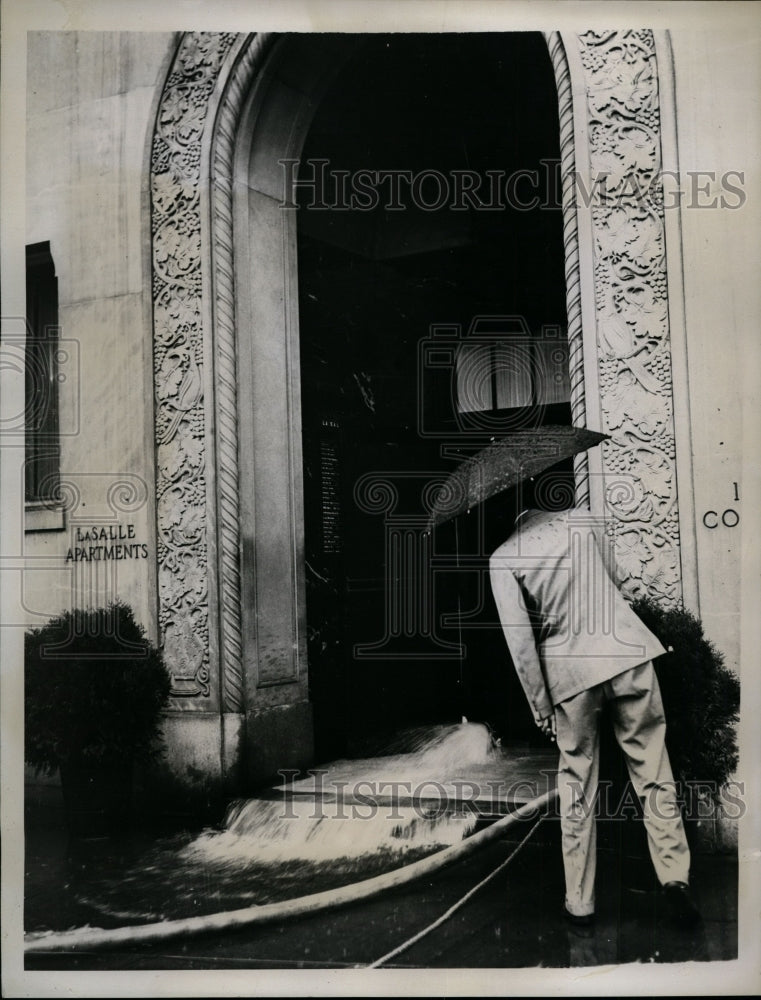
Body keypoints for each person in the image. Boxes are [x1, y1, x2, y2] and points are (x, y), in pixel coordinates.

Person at [489, 497, 700, 928]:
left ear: (512, 520)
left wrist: (540, 706)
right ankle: (674, 877)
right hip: (627, 652)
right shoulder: (584, 519)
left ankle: (580, 900)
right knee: (653, 768)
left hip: (571, 673)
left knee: (578, 784)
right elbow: (613, 581)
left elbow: (520, 642)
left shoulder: (503, 557)